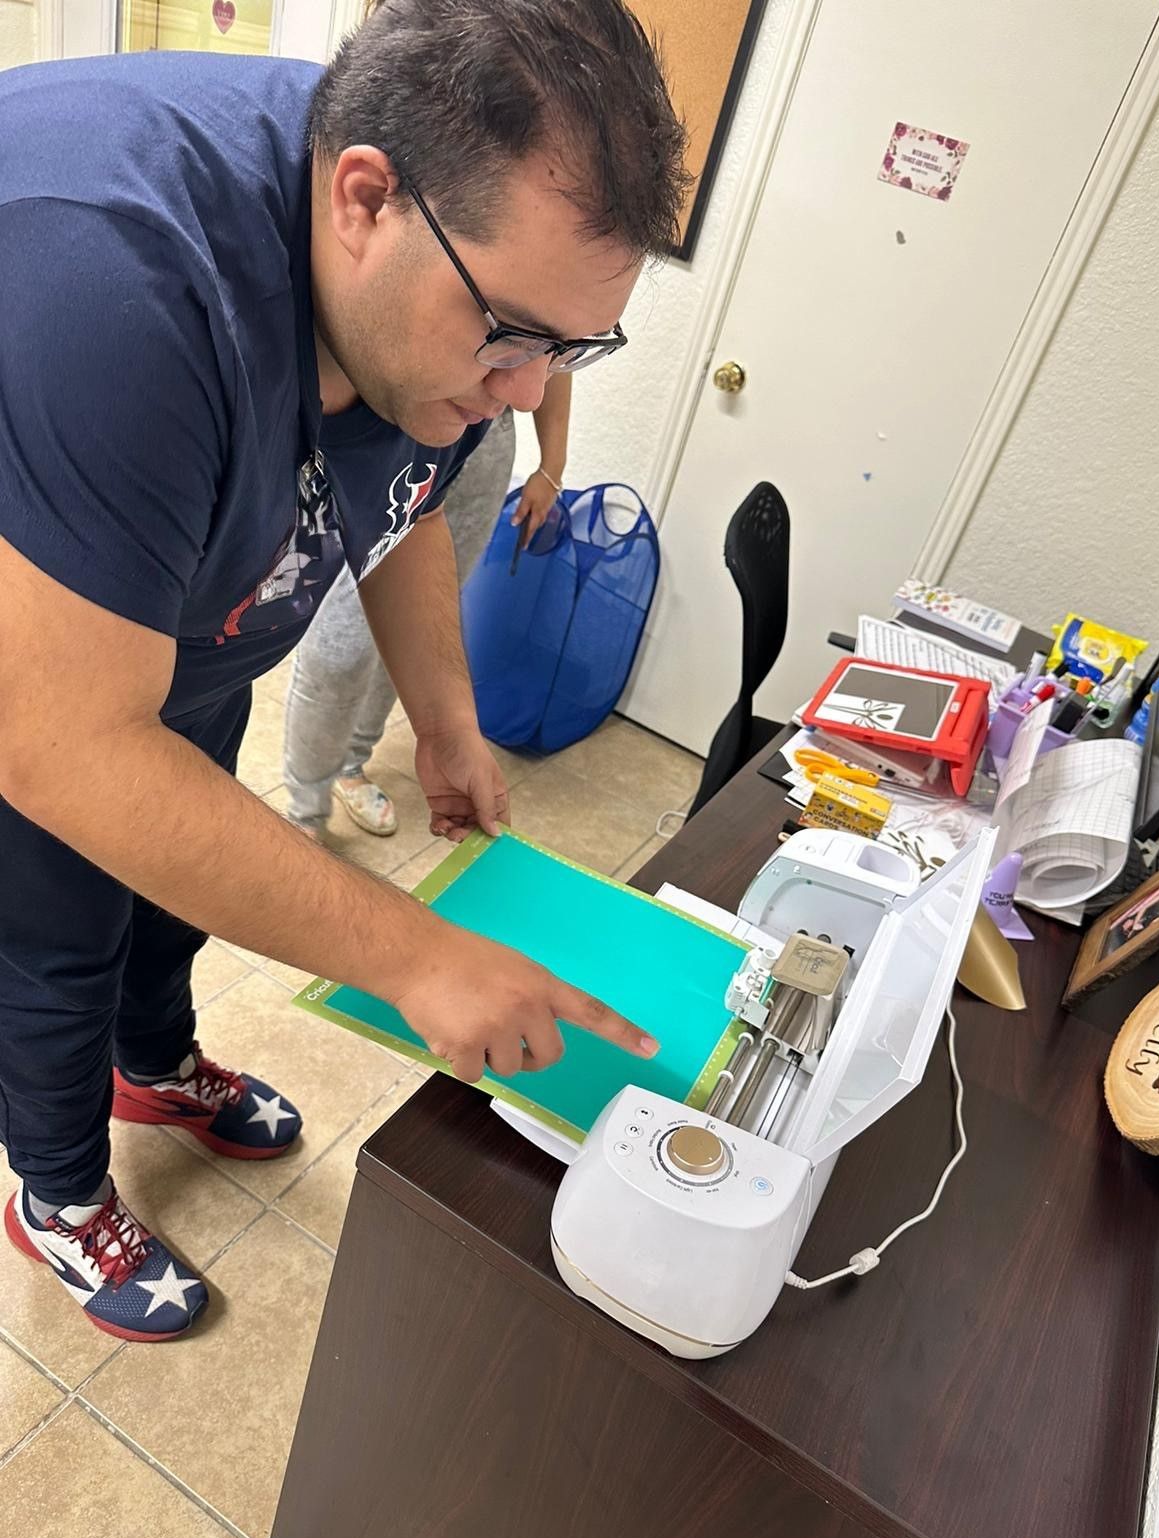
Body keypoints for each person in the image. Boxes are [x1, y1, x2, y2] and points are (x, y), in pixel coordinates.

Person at [0, 0, 688, 1341]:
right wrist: (417, 958)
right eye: (511, 335)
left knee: (174, 883)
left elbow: (406, 495)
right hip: (48, 636)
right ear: (363, 200)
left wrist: (444, 719)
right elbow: (66, 744)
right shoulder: (118, 291)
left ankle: (156, 1067)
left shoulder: (420, 320)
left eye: (572, 350)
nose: (524, 390)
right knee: (59, 926)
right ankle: (56, 1190)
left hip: (183, 625)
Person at [283, 376, 571, 838]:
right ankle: (304, 808)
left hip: (484, 444)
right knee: (343, 642)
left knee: (423, 633)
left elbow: (550, 350)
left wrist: (552, 463)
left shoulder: (521, 381)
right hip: (396, 421)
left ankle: (353, 762)